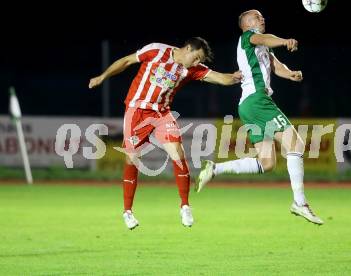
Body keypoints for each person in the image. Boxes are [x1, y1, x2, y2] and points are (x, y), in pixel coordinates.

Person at [89, 37, 241, 229]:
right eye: (196, 57)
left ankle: (185, 205)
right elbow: (126, 61)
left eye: (199, 60)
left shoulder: (192, 69)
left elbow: (219, 77)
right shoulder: (156, 50)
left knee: (178, 154)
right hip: (137, 111)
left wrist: (235, 77)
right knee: (132, 158)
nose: (197, 62)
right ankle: (128, 211)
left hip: (162, 113)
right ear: (187, 48)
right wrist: (103, 77)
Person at [195, 10, 324, 225]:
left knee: (267, 163)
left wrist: (290, 73)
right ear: (246, 24)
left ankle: (215, 168)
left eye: (262, 17)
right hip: (258, 101)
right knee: (296, 144)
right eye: (257, 17)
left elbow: (274, 65)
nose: (262, 19)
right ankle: (300, 203)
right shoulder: (248, 37)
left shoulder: (260, 46)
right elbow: (265, 38)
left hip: (248, 105)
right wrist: (284, 41)